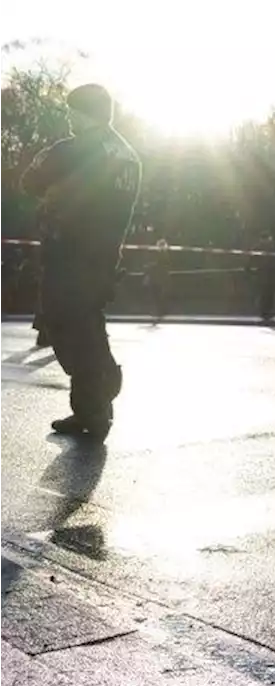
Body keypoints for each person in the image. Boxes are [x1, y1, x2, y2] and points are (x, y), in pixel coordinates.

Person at [19, 83, 140, 440]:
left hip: (68, 251)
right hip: (104, 255)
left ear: (86, 112)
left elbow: (30, 181)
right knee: (87, 323)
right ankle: (91, 410)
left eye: (73, 111)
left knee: (60, 322)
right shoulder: (128, 153)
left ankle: (104, 385)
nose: (70, 119)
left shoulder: (74, 150)